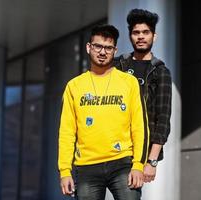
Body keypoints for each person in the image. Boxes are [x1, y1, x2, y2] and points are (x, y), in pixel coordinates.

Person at [58, 24, 149, 200]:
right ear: (88, 47)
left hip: (123, 163)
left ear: (115, 50)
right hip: (86, 166)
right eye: (98, 46)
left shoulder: (129, 82)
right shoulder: (74, 86)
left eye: (108, 48)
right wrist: (64, 170)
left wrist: (138, 165)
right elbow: (67, 132)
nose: (102, 52)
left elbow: (140, 126)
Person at [114, 8, 172, 183]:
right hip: (112, 148)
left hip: (140, 153)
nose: (140, 36)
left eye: (145, 32)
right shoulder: (117, 66)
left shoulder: (160, 72)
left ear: (154, 36)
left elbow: (163, 119)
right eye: (136, 32)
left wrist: (152, 161)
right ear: (130, 36)